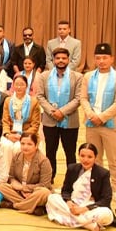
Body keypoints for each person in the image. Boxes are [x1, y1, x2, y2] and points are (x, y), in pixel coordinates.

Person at [79, 43, 116, 206]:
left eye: (105, 58)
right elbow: (83, 98)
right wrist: (90, 114)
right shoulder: (88, 77)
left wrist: (101, 117)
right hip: (92, 122)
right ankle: (95, 190)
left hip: (111, 124)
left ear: (112, 59)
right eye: (98, 58)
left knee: (114, 159)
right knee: (94, 158)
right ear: (94, 59)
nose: (101, 61)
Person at [46, 143, 116, 231]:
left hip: (91, 208)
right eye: (82, 156)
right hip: (73, 205)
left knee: (106, 214)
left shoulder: (102, 173)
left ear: (95, 157)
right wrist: (69, 202)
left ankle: (75, 220)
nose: (85, 160)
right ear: (78, 155)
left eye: (89, 157)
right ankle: (88, 225)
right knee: (52, 198)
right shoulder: (72, 168)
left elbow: (106, 200)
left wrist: (84, 209)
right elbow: (65, 190)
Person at [35, 47, 82, 180]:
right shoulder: (44, 76)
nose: (61, 61)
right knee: (50, 152)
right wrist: (52, 111)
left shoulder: (77, 77)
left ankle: (72, 182)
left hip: (70, 121)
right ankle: (49, 179)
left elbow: (78, 98)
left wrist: (62, 112)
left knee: (70, 153)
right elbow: (39, 96)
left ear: (68, 60)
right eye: (58, 58)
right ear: (53, 60)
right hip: (50, 120)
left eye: (64, 58)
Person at [0, 133, 53, 215]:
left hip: (34, 192)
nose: (25, 147)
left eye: (29, 144)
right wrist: (17, 186)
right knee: (0, 186)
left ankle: (14, 205)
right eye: (22, 144)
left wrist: (24, 188)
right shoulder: (17, 156)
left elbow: (45, 185)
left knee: (44, 193)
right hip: (19, 191)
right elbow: (11, 177)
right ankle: (33, 206)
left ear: (36, 145)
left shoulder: (44, 161)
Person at [0, 75, 41, 159]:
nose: (19, 87)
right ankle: (7, 171)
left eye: (22, 84)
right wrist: (8, 134)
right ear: (13, 86)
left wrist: (23, 136)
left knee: (18, 147)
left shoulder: (34, 101)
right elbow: (5, 121)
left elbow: (35, 125)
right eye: (16, 84)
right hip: (11, 133)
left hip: (27, 134)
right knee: (5, 146)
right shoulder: (8, 100)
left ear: (26, 86)